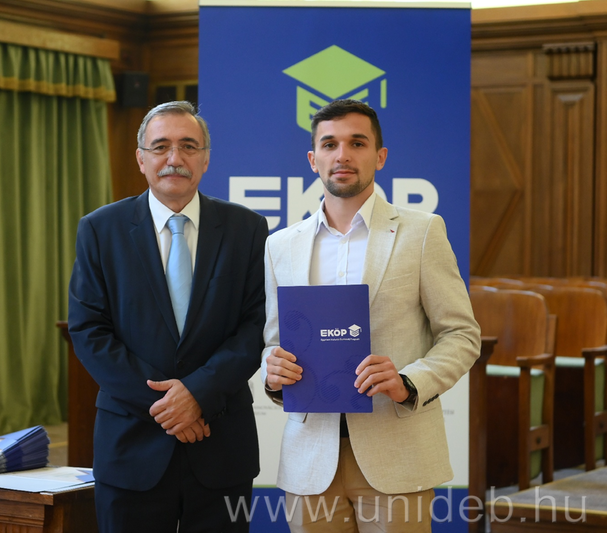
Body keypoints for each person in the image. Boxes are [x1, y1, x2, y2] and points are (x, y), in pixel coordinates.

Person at [262, 99, 480, 532]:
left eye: (357, 143)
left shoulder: (422, 232)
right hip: (310, 460)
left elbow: (461, 334)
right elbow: (274, 340)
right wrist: (273, 371)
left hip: (397, 454)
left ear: (380, 156)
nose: (342, 155)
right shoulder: (280, 245)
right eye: (330, 144)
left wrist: (409, 382)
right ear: (313, 159)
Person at [68, 101, 268, 533]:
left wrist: (197, 394)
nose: (174, 158)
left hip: (220, 444)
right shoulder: (100, 230)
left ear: (206, 158)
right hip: (131, 448)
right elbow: (89, 330)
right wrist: (169, 407)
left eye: (188, 146)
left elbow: (256, 327)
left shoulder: (247, 229)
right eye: (160, 147)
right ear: (141, 159)